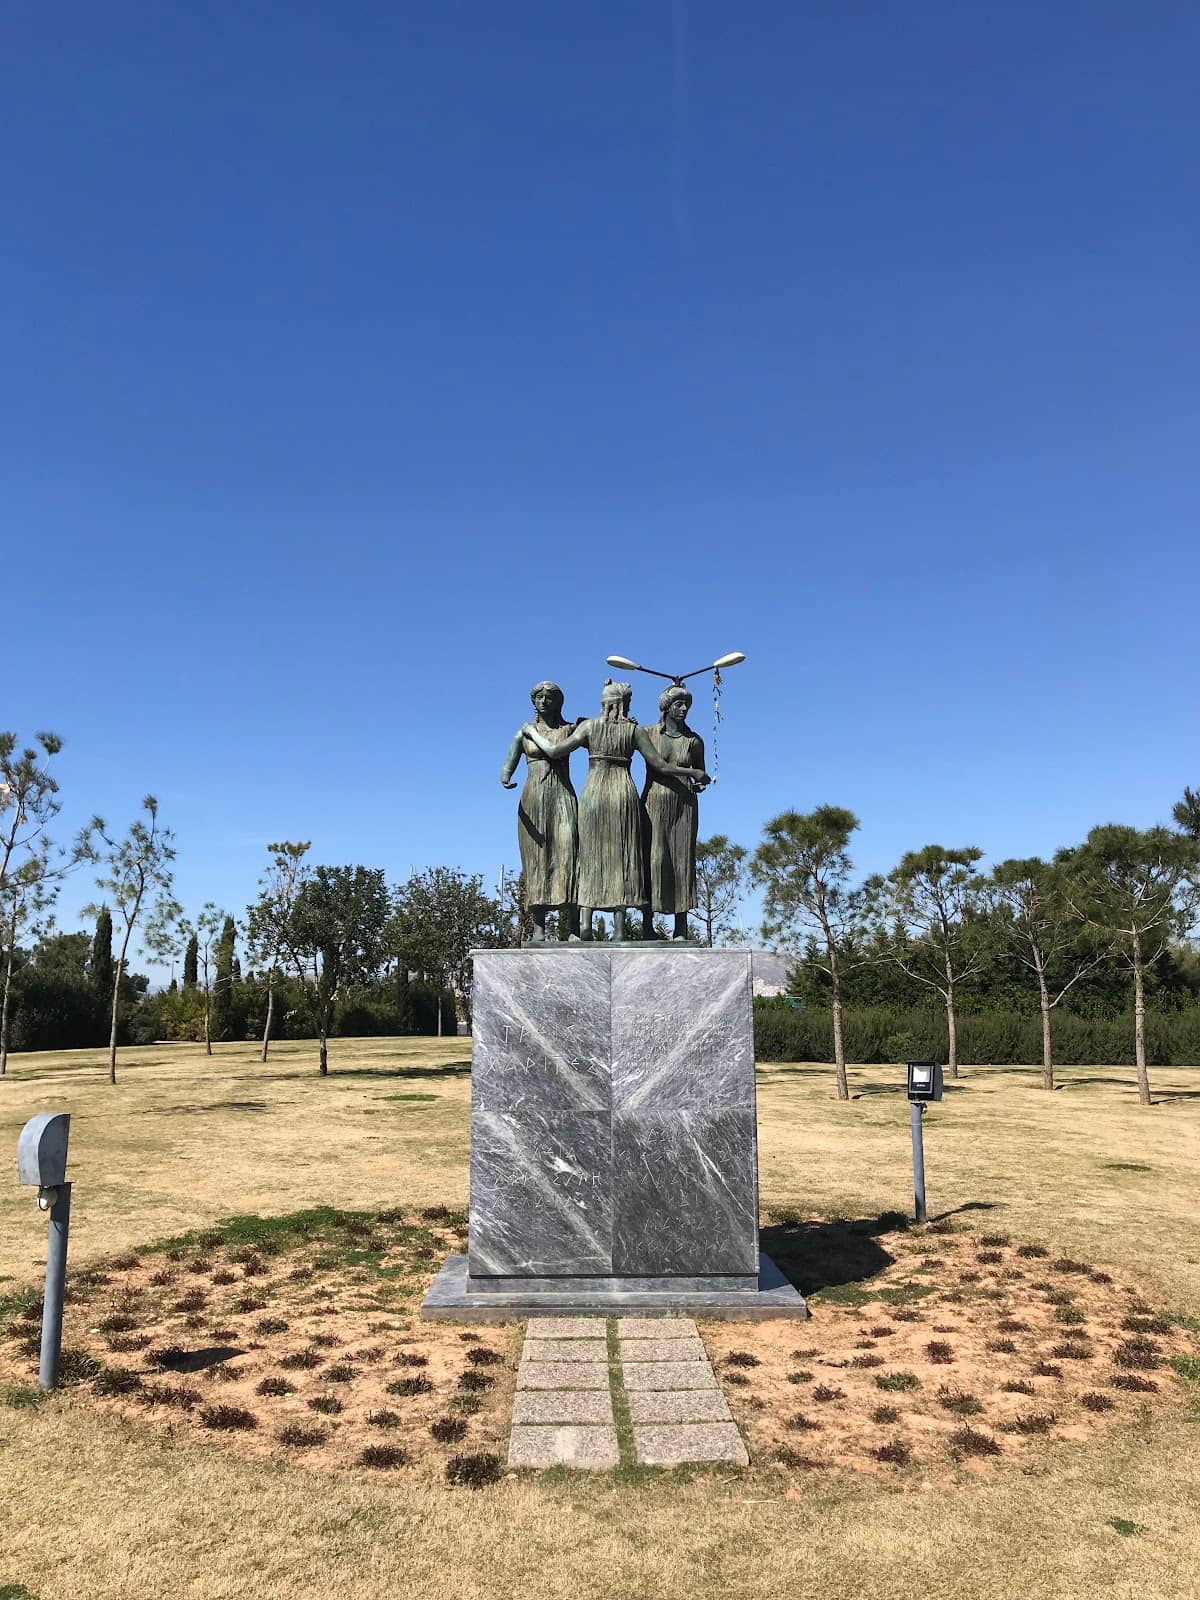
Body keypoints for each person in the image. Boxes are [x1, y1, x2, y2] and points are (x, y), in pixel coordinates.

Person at [523, 680, 708, 940]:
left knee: (589, 856)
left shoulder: (590, 727)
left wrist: (530, 734)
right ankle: (620, 930)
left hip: (594, 794)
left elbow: (555, 750)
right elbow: (660, 766)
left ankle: (585, 925)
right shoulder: (633, 731)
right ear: (625, 704)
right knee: (623, 858)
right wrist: (694, 772)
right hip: (622, 794)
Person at [500, 681, 579, 942]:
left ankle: (573, 927)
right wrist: (506, 777)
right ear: (533, 702)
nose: (544, 702)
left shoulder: (570, 729)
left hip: (563, 797)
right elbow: (507, 765)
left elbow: (601, 736)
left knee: (568, 855)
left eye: (549, 697)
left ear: (558, 702)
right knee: (536, 862)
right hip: (533, 799)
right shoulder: (523, 734)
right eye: (539, 698)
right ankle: (539, 928)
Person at [640, 684, 705, 941]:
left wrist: (700, 783)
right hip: (654, 803)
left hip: (684, 806)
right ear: (666, 707)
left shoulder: (694, 740)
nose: (683, 709)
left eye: (686, 704)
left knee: (682, 862)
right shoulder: (648, 733)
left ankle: (681, 926)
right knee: (654, 860)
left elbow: (699, 773)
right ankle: (647, 924)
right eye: (678, 704)